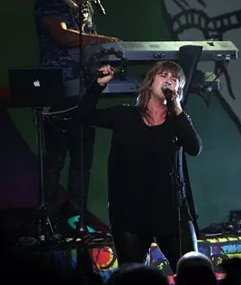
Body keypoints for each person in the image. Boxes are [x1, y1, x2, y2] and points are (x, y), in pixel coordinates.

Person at [77, 60, 202, 272]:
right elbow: (83, 116)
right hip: (131, 214)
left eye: (175, 80)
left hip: (171, 213)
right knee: (132, 276)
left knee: (193, 272)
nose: (169, 82)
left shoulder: (176, 122)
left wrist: (178, 107)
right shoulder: (125, 116)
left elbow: (194, 147)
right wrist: (98, 85)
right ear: (150, 81)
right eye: (164, 76)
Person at [34, 0, 120, 231]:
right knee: (55, 159)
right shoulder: (47, 2)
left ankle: (77, 220)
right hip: (57, 89)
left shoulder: (82, 3)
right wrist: (105, 39)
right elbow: (62, 36)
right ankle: (46, 220)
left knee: (82, 159)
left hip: (84, 89)